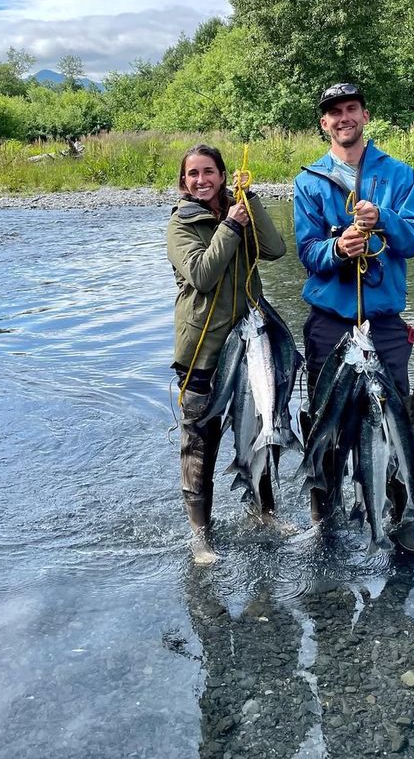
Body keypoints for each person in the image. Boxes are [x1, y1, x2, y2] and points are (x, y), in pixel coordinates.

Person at [293, 83, 414, 550]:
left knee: (396, 420)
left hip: (385, 322)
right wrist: (338, 247)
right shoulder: (308, 181)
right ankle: (324, 523)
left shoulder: (398, 174)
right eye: (334, 112)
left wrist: (383, 218)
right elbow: (307, 252)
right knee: (325, 422)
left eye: (351, 108)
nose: (343, 117)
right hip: (329, 322)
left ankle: (400, 514)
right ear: (324, 124)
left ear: (365, 115)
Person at [167, 144, 286, 563]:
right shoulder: (180, 225)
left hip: (251, 348)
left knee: (259, 430)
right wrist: (231, 228)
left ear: (222, 175)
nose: (201, 181)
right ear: (184, 181)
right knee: (199, 445)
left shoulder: (239, 211)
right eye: (193, 174)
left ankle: (264, 513)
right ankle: (201, 537)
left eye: (209, 172)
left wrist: (249, 202)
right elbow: (201, 274)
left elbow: (275, 251)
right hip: (203, 355)